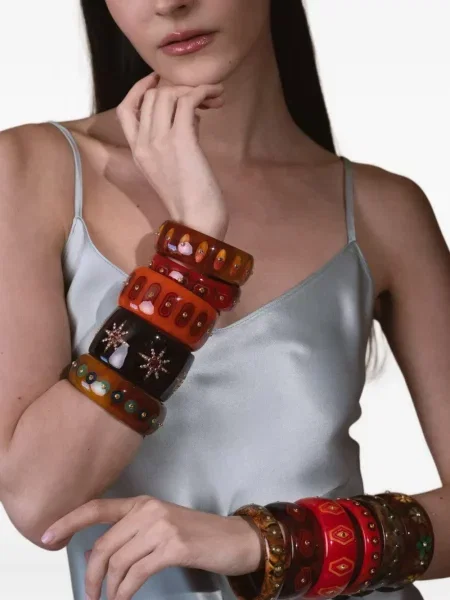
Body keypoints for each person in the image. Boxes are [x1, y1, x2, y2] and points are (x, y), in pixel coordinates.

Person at [0, 1, 448, 599]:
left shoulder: (385, 211)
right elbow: (39, 502)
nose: (168, 3)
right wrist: (191, 255)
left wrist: (262, 543)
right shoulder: (32, 171)